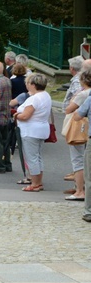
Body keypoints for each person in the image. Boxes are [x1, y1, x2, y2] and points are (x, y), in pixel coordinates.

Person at [15, 73, 52, 192]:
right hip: (42, 128)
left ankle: (35, 183)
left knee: (32, 158)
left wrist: (16, 115)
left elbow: (25, 116)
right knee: (38, 157)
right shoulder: (46, 95)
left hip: (31, 130)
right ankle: (38, 181)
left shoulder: (34, 98)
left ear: (33, 84)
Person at [65, 69, 91, 200]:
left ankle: (79, 190)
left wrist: (74, 97)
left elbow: (69, 109)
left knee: (78, 160)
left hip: (81, 129)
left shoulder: (83, 94)